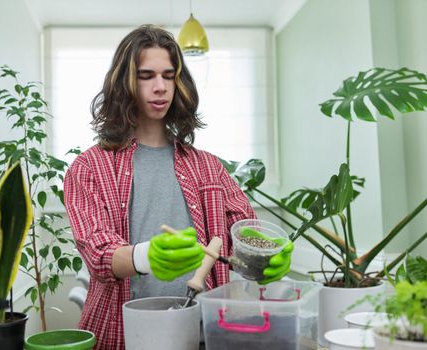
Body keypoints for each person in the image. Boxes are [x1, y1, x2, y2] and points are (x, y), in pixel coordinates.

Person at [64, 24, 293, 350]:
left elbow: (242, 236)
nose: (160, 87)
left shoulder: (210, 167)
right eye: (147, 75)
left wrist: (265, 258)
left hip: (201, 335)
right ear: (124, 81)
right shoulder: (89, 168)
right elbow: (98, 254)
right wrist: (145, 256)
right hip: (121, 335)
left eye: (168, 75)